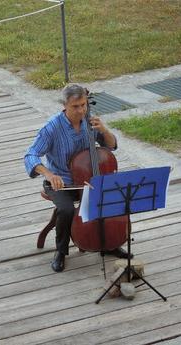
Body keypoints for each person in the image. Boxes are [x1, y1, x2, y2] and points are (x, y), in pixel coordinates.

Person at [24, 84, 132, 273]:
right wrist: (49, 174)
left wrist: (104, 131)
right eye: (76, 106)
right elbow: (30, 155)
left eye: (83, 105)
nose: (81, 110)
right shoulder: (52, 127)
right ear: (65, 105)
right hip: (61, 182)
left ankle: (110, 244)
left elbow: (112, 146)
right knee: (65, 210)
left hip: (91, 181)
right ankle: (61, 251)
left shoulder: (90, 122)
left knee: (109, 200)